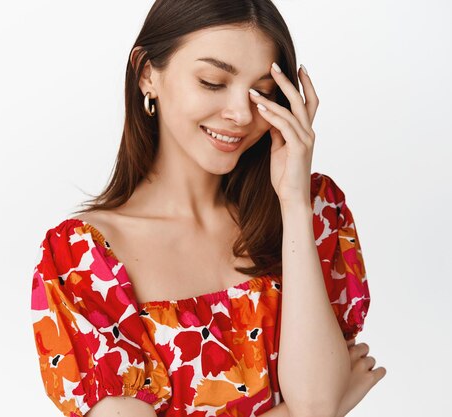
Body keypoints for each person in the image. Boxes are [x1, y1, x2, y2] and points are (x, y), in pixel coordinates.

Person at [30, 1, 386, 416]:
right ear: (147, 72)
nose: (239, 114)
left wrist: (291, 202)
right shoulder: (81, 260)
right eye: (213, 81)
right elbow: (315, 411)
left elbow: (317, 399)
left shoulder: (313, 214)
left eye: (262, 92)